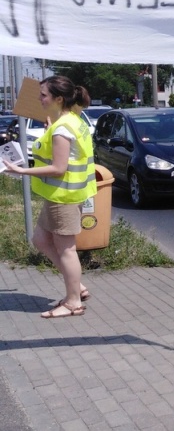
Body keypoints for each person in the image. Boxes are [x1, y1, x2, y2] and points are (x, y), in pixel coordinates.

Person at [3, 76, 96, 318]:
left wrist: (21, 170)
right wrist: (50, 128)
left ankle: (74, 301)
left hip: (62, 195)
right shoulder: (70, 120)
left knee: (66, 250)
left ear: (58, 99)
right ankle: (76, 285)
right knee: (41, 240)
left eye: (43, 95)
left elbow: (59, 167)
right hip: (62, 194)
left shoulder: (63, 129)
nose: (38, 99)